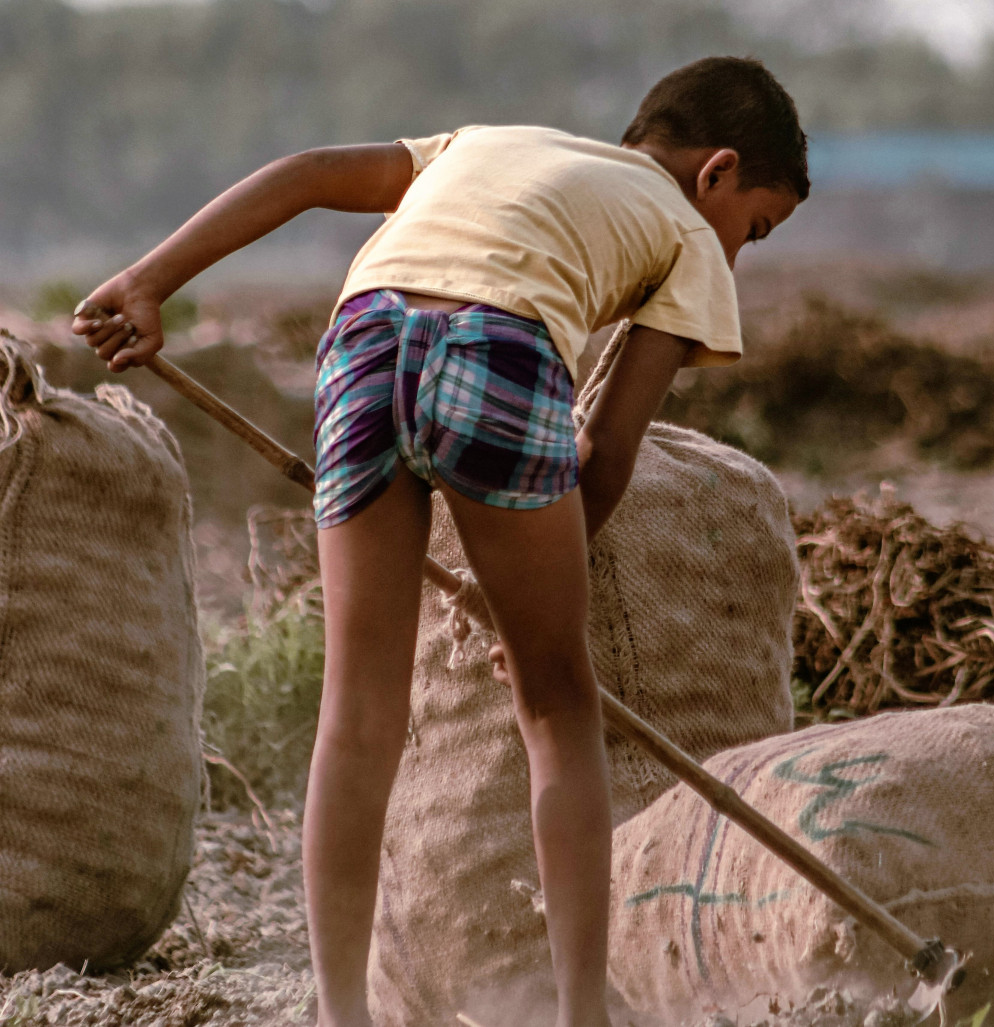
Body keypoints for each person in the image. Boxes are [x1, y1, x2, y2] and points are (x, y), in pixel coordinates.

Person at [72, 55, 808, 1027]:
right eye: (752, 227)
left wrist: (146, 279)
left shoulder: (483, 143)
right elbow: (609, 450)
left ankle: (339, 1012)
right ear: (715, 172)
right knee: (555, 702)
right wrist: (534, 611)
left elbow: (300, 174)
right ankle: (582, 1012)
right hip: (498, 348)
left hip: (364, 344)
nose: (739, 252)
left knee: (358, 708)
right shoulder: (686, 236)